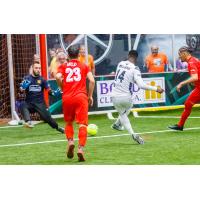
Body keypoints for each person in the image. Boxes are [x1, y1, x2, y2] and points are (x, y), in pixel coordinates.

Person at [111, 50, 164, 144]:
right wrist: (156, 88)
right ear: (136, 58)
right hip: (126, 97)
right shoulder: (135, 68)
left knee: (123, 114)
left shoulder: (120, 63)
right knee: (128, 107)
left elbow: (124, 77)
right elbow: (141, 85)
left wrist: (133, 80)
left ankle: (118, 124)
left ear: (128, 56)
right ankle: (129, 132)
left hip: (114, 95)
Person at [56, 44, 95, 162]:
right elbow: (92, 81)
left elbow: (57, 77)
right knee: (82, 124)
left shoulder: (63, 66)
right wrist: (90, 96)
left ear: (68, 55)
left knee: (68, 122)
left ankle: (70, 141)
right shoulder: (84, 66)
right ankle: (80, 149)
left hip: (67, 97)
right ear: (78, 54)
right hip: (80, 97)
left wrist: (63, 87)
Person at [20, 63, 64, 134]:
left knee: (48, 119)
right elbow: (21, 89)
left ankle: (58, 128)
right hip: (29, 103)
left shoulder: (43, 80)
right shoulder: (27, 78)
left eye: (39, 68)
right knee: (22, 105)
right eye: (36, 68)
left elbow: (50, 92)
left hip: (40, 104)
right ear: (32, 69)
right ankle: (28, 122)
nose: (38, 70)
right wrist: (23, 87)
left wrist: (58, 90)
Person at [169, 46, 200, 131]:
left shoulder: (191, 63)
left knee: (188, 104)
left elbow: (195, 77)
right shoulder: (194, 60)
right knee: (188, 104)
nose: (179, 57)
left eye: (180, 55)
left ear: (184, 53)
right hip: (198, 88)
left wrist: (181, 83)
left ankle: (180, 125)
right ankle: (180, 125)